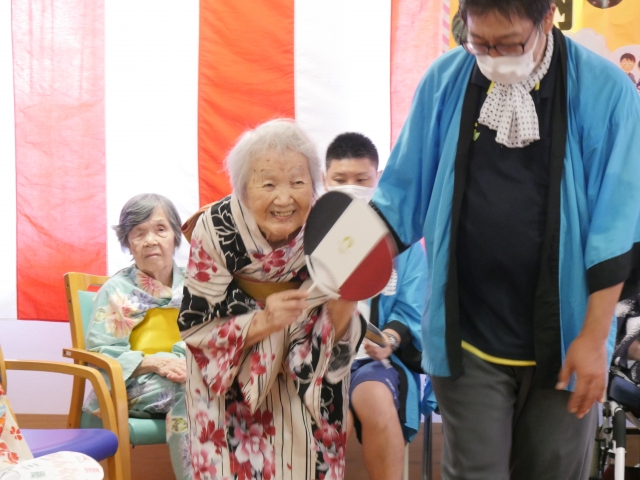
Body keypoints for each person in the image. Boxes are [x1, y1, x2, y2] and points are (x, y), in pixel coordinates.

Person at [370, 0, 640, 479]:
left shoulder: (605, 90)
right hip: (468, 337)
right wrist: (339, 272)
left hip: (568, 339)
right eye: (480, 43)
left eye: (510, 44)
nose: (493, 56)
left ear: (548, 17)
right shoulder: (446, 80)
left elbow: (617, 221)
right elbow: (399, 197)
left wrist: (594, 338)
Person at [178, 119, 365, 480]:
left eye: (297, 182)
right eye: (268, 184)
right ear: (243, 190)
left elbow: (339, 322)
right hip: (228, 376)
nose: (284, 199)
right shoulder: (215, 227)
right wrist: (264, 321)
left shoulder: (332, 226)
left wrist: (347, 297)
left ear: (315, 185)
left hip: (307, 370)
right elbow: (196, 323)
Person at [324, 132, 431, 480]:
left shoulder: (402, 242)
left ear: (378, 178)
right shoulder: (308, 238)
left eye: (361, 180)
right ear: (324, 181)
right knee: (330, 416)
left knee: (375, 400)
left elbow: (412, 309)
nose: (351, 188)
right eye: (340, 180)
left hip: (375, 360)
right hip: (315, 360)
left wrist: (389, 340)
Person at [84, 193, 191, 480]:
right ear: (128, 242)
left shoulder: (196, 284)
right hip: (131, 384)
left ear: (175, 235)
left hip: (188, 372)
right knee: (194, 393)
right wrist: (155, 362)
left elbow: (212, 335)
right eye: (139, 233)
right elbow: (101, 353)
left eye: (160, 229)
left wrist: (186, 362)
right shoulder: (117, 290)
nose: (150, 240)